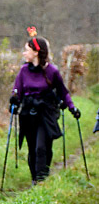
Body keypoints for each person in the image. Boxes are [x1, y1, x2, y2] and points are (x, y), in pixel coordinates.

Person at [10, 27, 80, 183]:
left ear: (36, 52)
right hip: (28, 114)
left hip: (46, 114)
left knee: (42, 148)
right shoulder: (23, 71)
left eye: (26, 50)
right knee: (32, 149)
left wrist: (72, 108)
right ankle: (35, 179)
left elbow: (63, 92)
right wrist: (14, 99)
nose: (24, 53)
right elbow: (17, 90)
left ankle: (42, 179)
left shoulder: (52, 71)